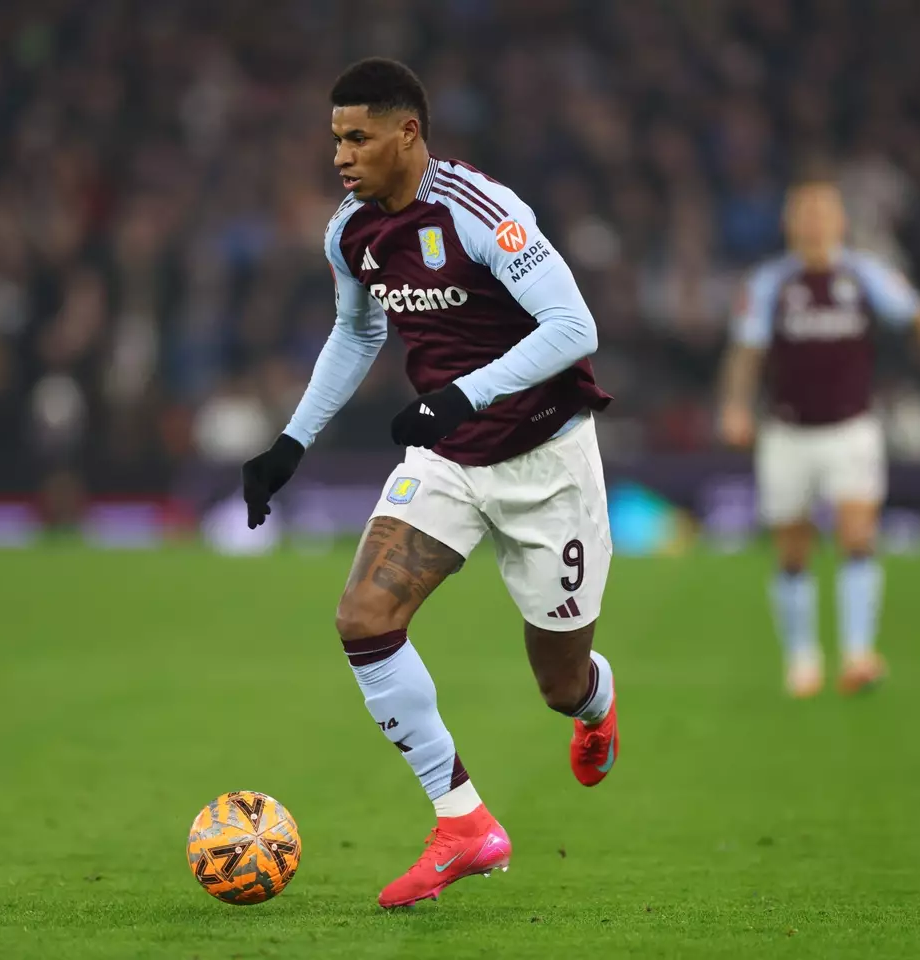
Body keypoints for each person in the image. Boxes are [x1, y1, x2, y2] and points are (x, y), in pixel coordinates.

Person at [240, 58, 618, 908]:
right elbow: (356, 333)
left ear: (407, 133)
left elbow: (574, 326)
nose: (340, 156)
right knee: (363, 618)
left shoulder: (480, 211)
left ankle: (598, 706)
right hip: (446, 458)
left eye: (358, 137)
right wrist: (291, 443)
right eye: (336, 138)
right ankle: (463, 823)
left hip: (546, 461)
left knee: (559, 684)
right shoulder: (350, 233)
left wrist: (463, 394)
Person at [719, 171, 920, 698]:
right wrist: (735, 407)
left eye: (823, 211)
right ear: (788, 223)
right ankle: (802, 659)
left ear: (840, 220)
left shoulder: (867, 276)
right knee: (793, 550)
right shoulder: (768, 283)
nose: (814, 222)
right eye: (804, 212)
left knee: (857, 535)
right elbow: (746, 352)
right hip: (788, 432)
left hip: (851, 428)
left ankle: (858, 654)